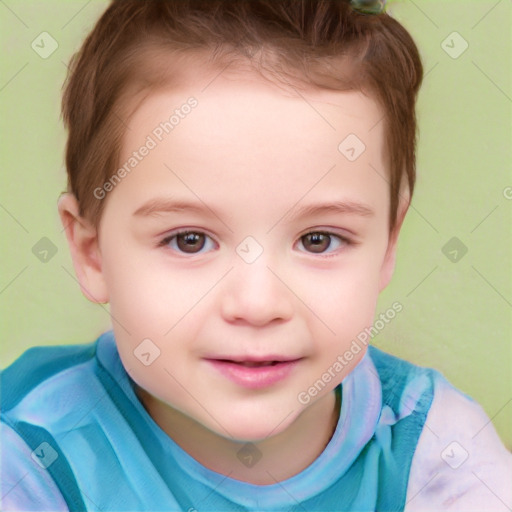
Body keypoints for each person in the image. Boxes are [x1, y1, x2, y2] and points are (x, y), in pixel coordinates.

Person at [1, 0, 511, 510]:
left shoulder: (433, 448)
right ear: (93, 254)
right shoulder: (32, 453)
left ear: (387, 246)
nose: (258, 303)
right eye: (189, 240)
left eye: (319, 239)